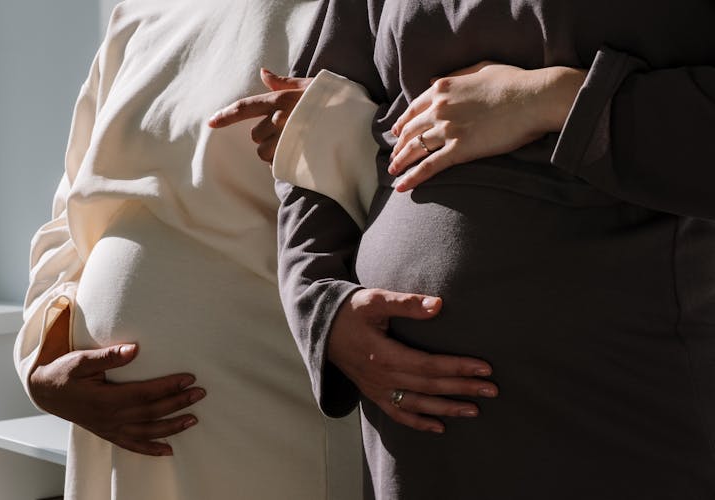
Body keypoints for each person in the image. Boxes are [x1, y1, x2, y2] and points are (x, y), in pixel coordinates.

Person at [210, 0, 715, 498]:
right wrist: (319, 305)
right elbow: (315, 125)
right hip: (416, 430)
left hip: (632, 387)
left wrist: (555, 100)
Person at [15, 1, 375, 498]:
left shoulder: (363, 11)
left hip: (269, 412)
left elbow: (430, 173)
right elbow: (69, 212)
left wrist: (335, 129)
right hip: (112, 440)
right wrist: (41, 364)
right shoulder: (139, 13)